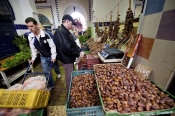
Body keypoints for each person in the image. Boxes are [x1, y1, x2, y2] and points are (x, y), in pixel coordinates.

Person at [54, 14, 84, 91]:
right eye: (71, 24)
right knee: (69, 76)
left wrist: (79, 50)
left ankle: (72, 89)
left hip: (69, 58)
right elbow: (67, 48)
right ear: (67, 21)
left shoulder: (65, 31)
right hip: (66, 59)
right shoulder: (61, 32)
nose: (71, 26)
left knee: (71, 75)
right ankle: (70, 93)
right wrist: (78, 54)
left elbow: (72, 43)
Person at [25, 17, 56, 90]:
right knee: (46, 72)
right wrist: (33, 58)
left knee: (55, 67)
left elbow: (52, 46)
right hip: (43, 57)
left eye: (31, 26)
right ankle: (51, 85)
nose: (30, 28)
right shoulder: (31, 37)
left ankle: (58, 73)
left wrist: (54, 57)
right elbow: (33, 49)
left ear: (36, 25)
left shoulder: (46, 35)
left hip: (51, 55)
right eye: (28, 26)